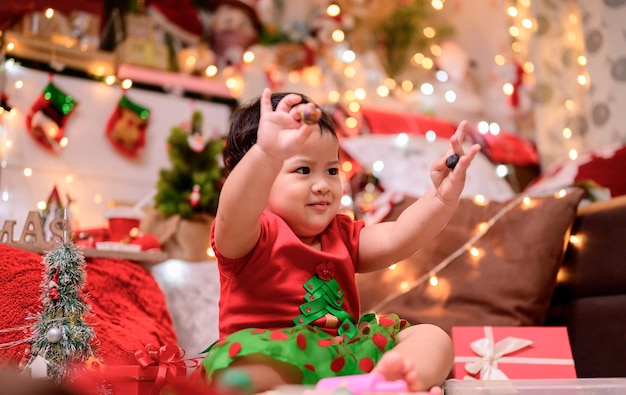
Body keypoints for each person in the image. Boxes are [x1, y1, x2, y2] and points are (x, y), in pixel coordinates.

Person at [198, 88, 481, 394]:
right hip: (274, 359)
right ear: (260, 177)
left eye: (331, 170)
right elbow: (235, 209)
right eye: (303, 170)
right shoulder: (251, 234)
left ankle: (381, 385)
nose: (323, 185)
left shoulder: (341, 235)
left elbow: (397, 236)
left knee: (432, 338)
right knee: (236, 372)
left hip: (345, 359)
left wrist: (441, 197)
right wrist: (265, 153)